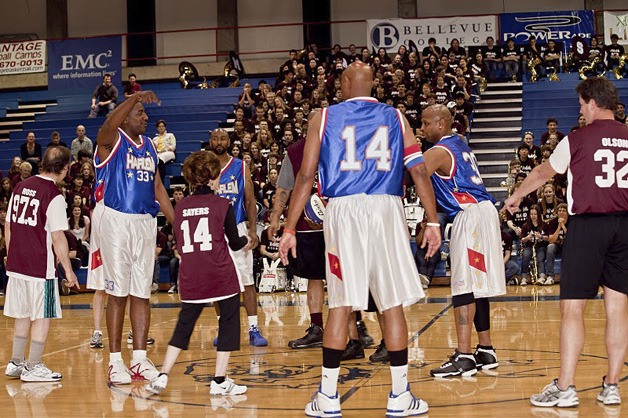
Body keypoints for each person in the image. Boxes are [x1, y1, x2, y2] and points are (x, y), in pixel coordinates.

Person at [278, 61, 441, 417]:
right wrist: (432, 221)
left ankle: (328, 397)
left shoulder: (322, 116)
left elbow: (306, 176)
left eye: (341, 80)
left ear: (349, 82)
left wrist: (289, 229)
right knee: (391, 302)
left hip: (344, 210)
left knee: (340, 302)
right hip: (386, 207)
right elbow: (419, 171)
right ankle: (400, 395)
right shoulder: (397, 117)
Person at [504, 77, 627, 408]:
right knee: (618, 308)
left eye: (581, 104)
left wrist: (516, 195)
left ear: (591, 102)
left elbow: (544, 172)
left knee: (572, 307)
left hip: (588, 226)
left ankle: (566, 387)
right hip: (624, 227)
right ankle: (612, 386)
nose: (580, 110)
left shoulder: (577, 139)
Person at [145, 151, 251, 397]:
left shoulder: (180, 207)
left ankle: (163, 375)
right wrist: (251, 240)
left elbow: (181, 245)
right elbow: (235, 243)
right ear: (214, 177)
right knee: (228, 321)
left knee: (184, 325)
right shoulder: (223, 204)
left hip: (191, 275)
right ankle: (220, 380)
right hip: (220, 274)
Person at [86, 90, 174, 384]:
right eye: (140, 113)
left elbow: (158, 187)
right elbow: (106, 126)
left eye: (145, 113)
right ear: (125, 119)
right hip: (117, 221)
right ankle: (114, 362)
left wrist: (176, 224)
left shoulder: (149, 145)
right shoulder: (111, 142)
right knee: (118, 293)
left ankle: (139, 359)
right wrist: (133, 97)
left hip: (145, 222)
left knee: (142, 293)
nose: (146, 117)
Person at [419, 104, 506, 378]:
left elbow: (416, 175)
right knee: (477, 287)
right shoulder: (461, 144)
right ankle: (485, 349)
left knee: (463, 287)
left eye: (424, 123)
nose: (421, 129)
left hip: (470, 217)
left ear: (440, 124)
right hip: (483, 213)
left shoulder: (439, 151)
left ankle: (464, 355)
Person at [4, 146, 78, 382]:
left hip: (16, 265)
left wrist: (12, 254)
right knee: (43, 315)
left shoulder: (20, 186)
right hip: (40, 268)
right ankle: (33, 366)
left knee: (23, 314)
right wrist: (69, 272)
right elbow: (58, 238)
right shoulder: (53, 195)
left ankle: (16, 362)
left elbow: (8, 226)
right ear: (65, 169)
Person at [208, 129, 266, 347]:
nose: (219, 141)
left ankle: (253, 328)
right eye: (215, 138)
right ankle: (224, 327)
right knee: (216, 281)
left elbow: (250, 201)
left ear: (228, 141)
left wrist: (253, 230)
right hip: (213, 229)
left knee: (247, 280)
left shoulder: (241, 166)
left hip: (238, 227)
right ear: (211, 141)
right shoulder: (205, 166)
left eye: (223, 138)